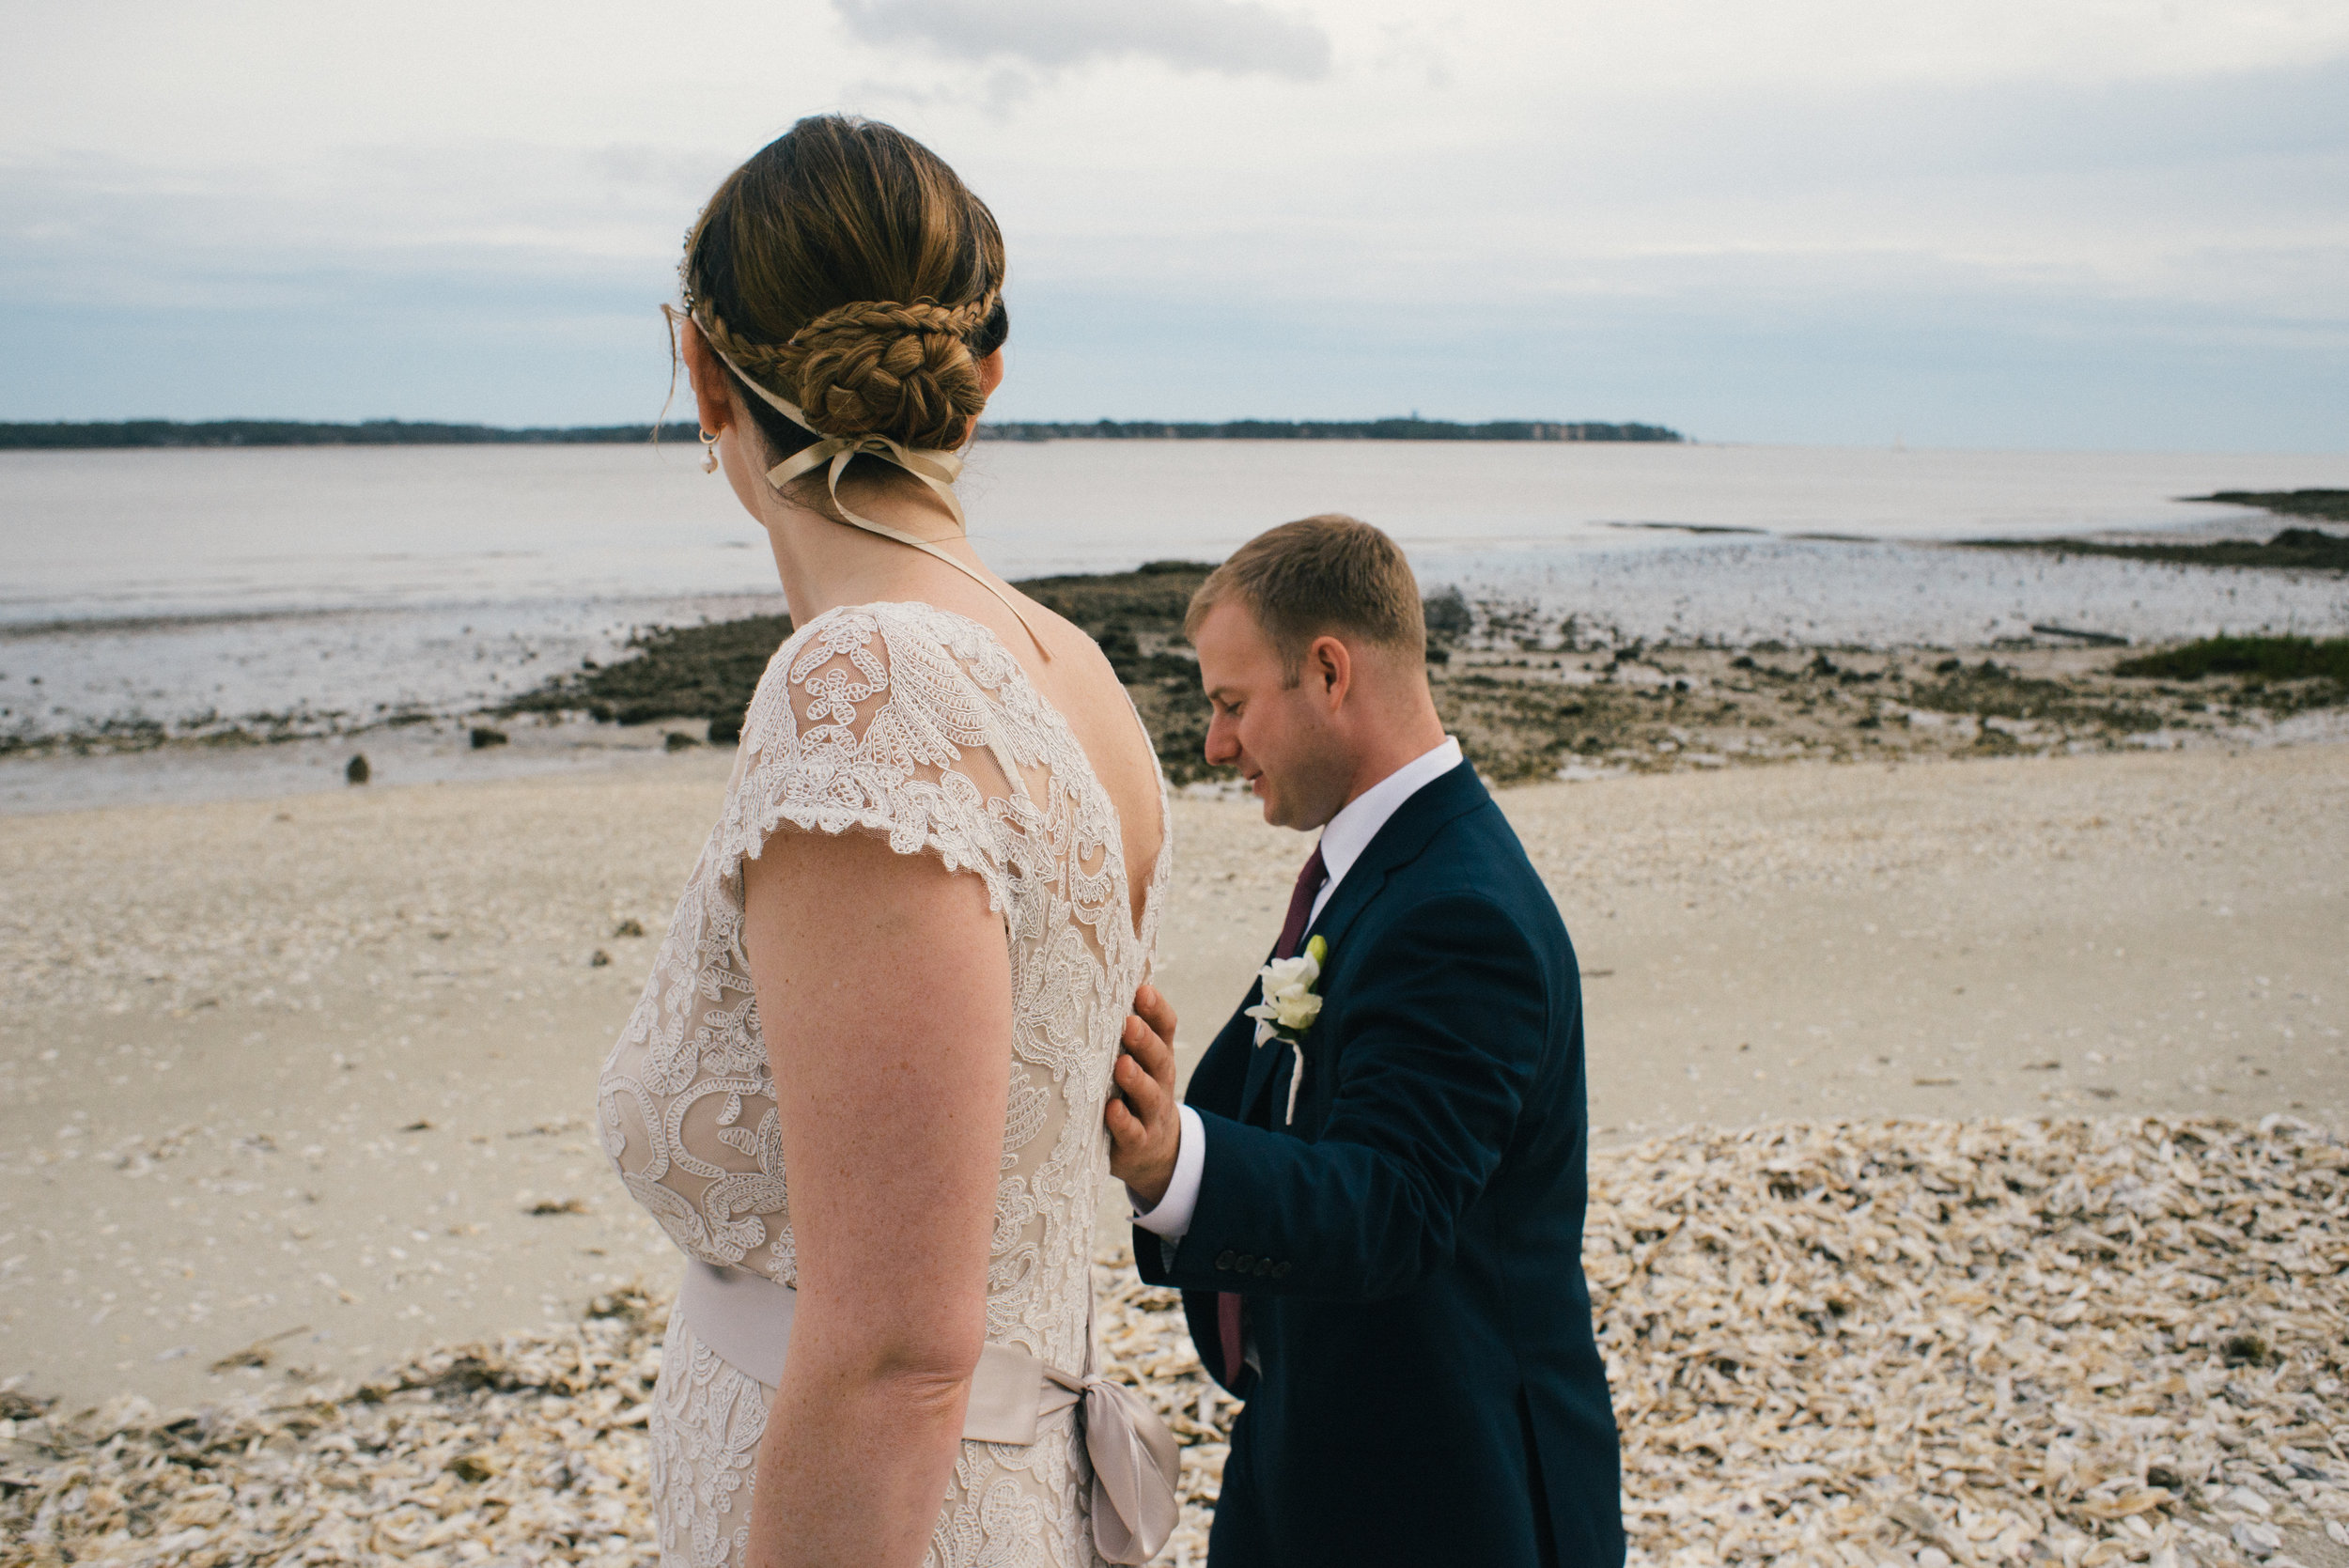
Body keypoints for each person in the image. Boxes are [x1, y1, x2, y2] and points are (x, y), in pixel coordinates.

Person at [599, 115, 1177, 1568]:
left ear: (699, 368)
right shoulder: (1076, 675)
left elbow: (898, 1351)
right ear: (981, 377)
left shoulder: (868, 690)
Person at [1105, 516, 1624, 1566]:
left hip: (1448, 1500)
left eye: (1232, 703)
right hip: (1320, 1456)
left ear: (1330, 671)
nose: (1214, 745)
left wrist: (1172, 1160)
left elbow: (1392, 1205)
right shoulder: (1383, 864)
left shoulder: (1459, 910)